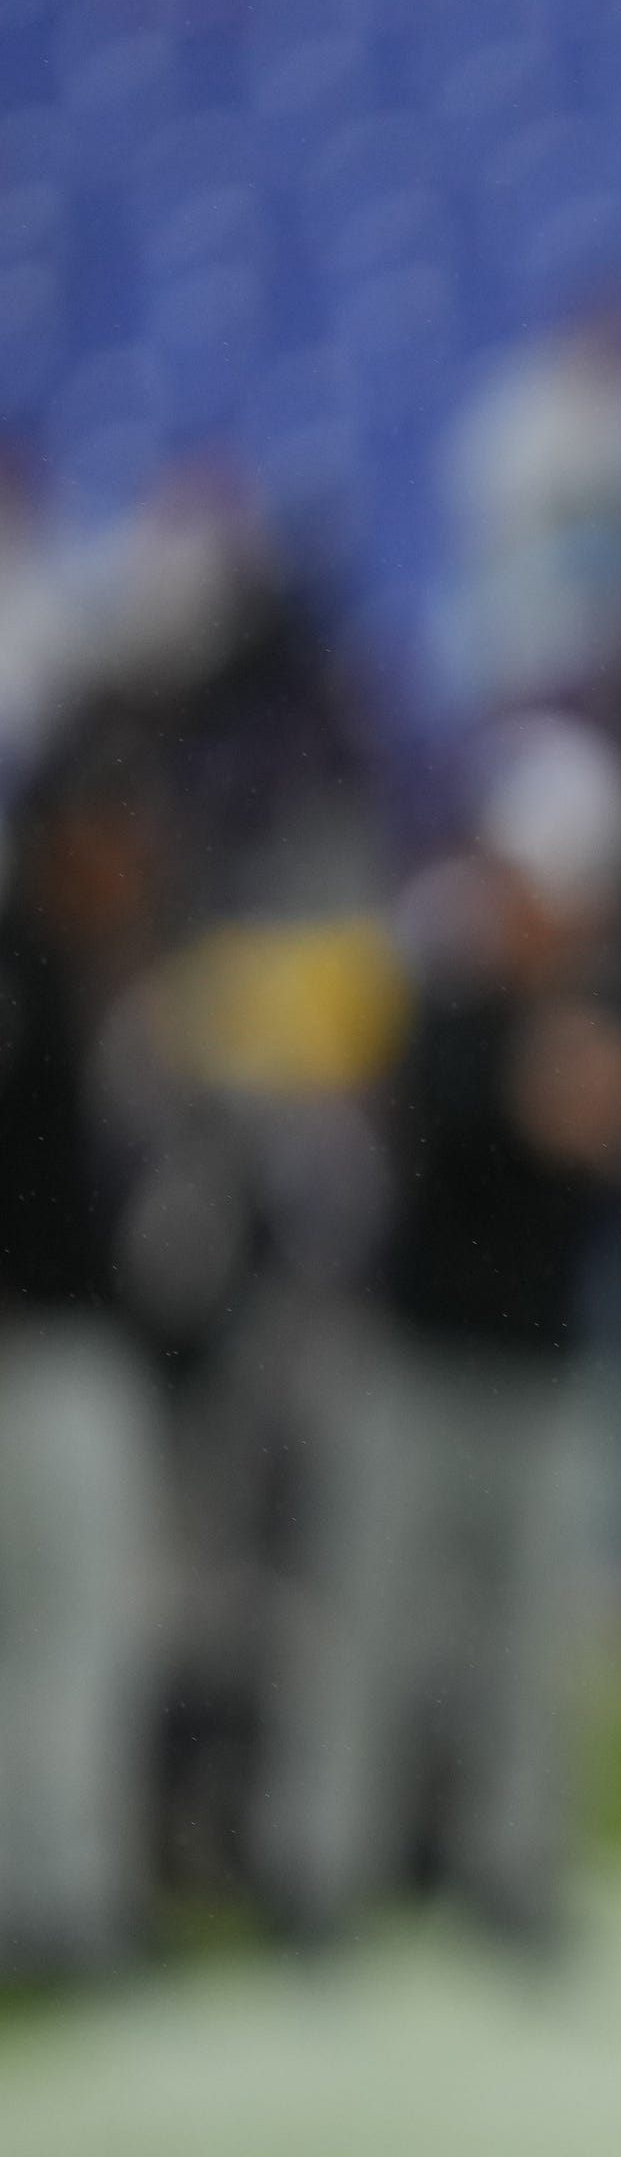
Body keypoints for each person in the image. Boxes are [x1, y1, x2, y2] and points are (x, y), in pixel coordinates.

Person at [261, 715, 621, 1950]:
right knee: (364, 1633)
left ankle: (515, 1873)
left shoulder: (601, 1004)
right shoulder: (439, 985)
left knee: (537, 1650)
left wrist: (569, 1106)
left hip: (544, 1366)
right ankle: (318, 1872)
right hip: (416, 1358)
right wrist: (542, 1102)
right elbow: (459, 1129)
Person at [0, 741, 165, 1982]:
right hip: (46, 1348)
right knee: (75, 1638)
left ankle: (54, 1895)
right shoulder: (37, 970)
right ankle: (57, 1904)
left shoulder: (73, 976)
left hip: (70, 1341)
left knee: (60, 1641)